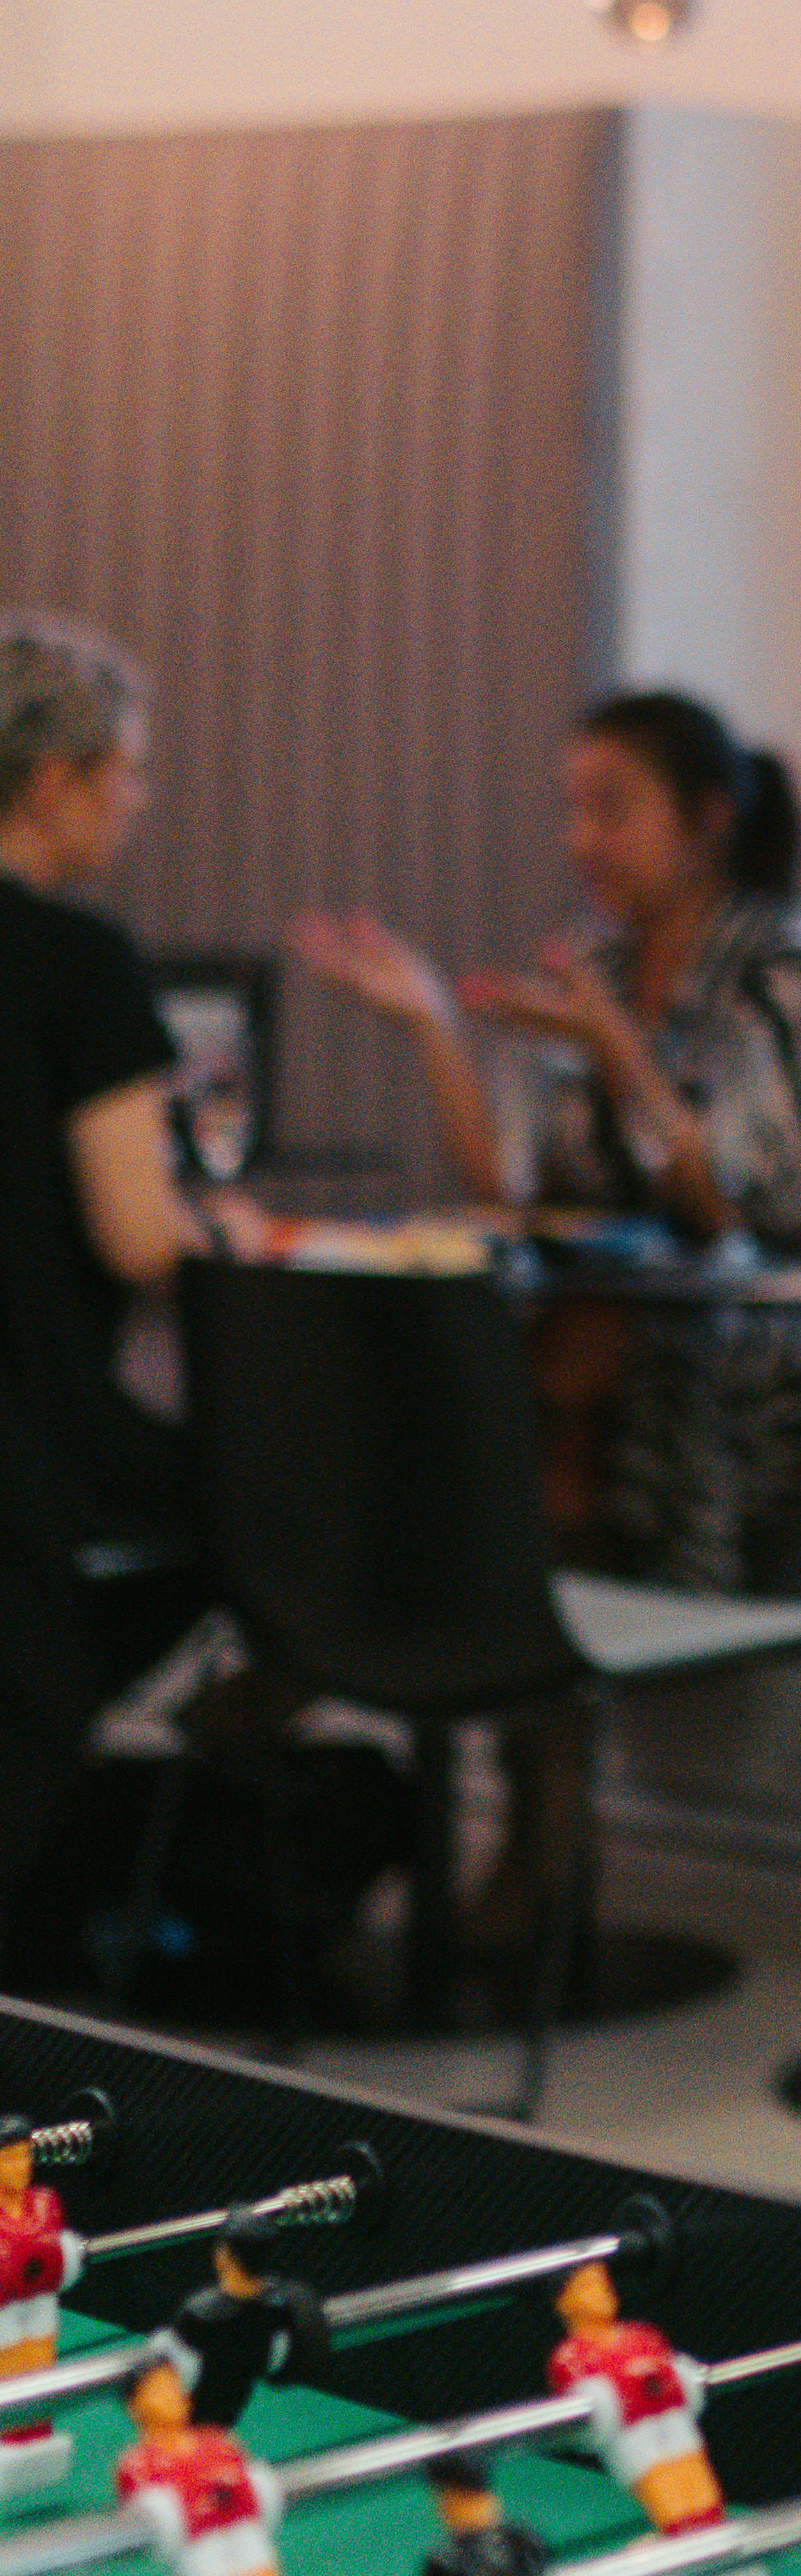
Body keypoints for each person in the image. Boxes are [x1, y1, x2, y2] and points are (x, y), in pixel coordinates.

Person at [291, 695, 801, 1601]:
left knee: (577, 1357)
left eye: (611, 809)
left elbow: (733, 1209)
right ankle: (510, 1622)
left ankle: (567, 1629)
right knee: (461, 1343)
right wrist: (432, 1024)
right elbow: (509, 1191)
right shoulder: (599, 964)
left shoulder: (788, 965)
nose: (582, 841)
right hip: (632, 1308)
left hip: (784, 1319)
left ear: (709, 818)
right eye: (571, 811)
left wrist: (616, 1050)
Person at [0, 618, 258, 1934]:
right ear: (55, 783)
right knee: (271, 1508)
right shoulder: (80, 962)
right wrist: (236, 1231)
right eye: (128, 772)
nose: (140, 800)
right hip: (35, 1442)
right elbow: (139, 1238)